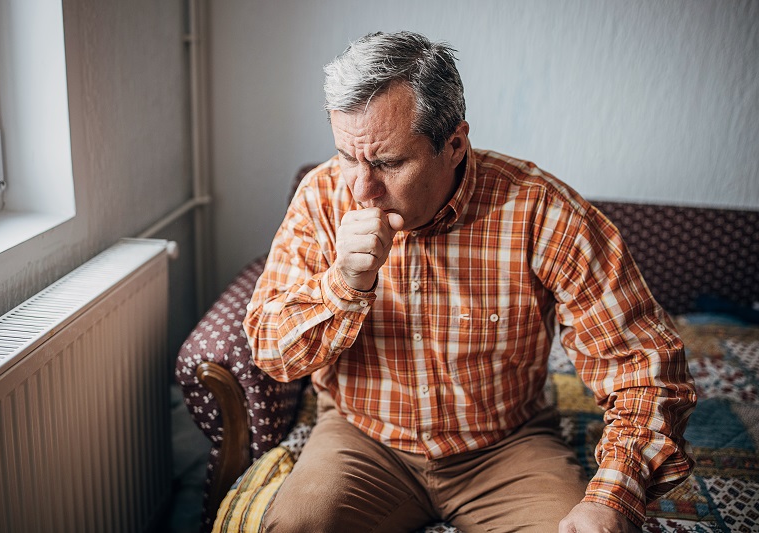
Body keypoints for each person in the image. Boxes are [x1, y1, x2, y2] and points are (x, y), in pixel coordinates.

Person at [244, 31, 696, 533]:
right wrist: (343, 284)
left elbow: (643, 363)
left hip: (504, 447)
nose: (361, 189)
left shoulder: (542, 211)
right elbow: (271, 351)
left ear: (454, 143)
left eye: (389, 163)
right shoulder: (319, 199)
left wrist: (614, 495)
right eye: (349, 157)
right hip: (362, 440)